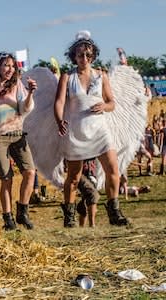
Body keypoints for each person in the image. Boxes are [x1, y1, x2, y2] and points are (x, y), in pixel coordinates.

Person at [54, 30, 129, 227]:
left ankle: (114, 212)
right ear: (74, 56)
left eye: (88, 54)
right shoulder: (66, 77)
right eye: (80, 54)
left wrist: (104, 106)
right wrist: (59, 119)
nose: (84, 58)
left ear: (93, 55)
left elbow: (112, 102)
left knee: (113, 169)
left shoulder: (101, 76)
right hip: (77, 131)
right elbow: (60, 102)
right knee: (73, 177)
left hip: (99, 130)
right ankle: (69, 217)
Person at [0, 51, 37, 231]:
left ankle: (22, 212)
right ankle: (8, 219)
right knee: (7, 178)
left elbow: (24, 109)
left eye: (12, 66)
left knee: (30, 172)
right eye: (6, 65)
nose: (9, 69)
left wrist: (30, 94)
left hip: (17, 134)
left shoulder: (17, 85)